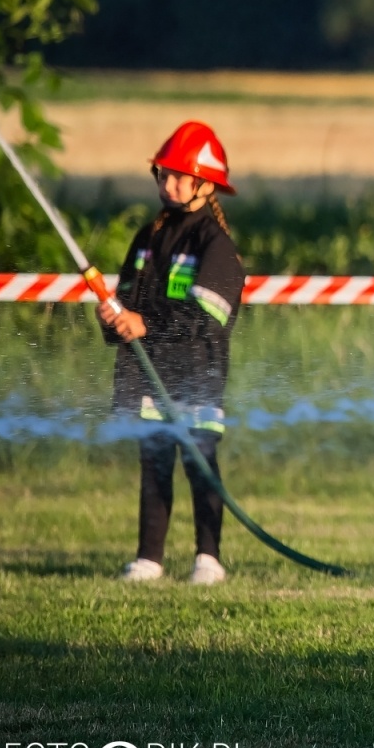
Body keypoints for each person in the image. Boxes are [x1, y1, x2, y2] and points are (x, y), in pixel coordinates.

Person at [105, 121, 247, 585]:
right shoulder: (148, 238)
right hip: (148, 375)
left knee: (199, 462)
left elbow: (206, 317)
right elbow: (126, 296)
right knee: (154, 463)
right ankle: (149, 558)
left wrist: (147, 322)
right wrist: (114, 319)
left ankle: (209, 558)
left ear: (204, 185)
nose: (167, 184)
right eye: (161, 174)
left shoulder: (216, 246)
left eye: (177, 176)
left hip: (197, 377)